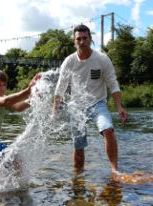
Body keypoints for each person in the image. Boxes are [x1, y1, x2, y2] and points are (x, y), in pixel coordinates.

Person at [52, 24, 127, 174]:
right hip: (76, 107)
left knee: (108, 129)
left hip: (97, 103)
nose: (82, 42)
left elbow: (112, 83)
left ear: (91, 39)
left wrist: (119, 107)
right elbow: (60, 87)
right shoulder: (69, 61)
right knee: (78, 145)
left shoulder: (102, 59)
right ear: (74, 41)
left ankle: (114, 171)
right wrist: (55, 110)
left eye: (85, 38)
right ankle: (78, 177)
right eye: (78, 39)